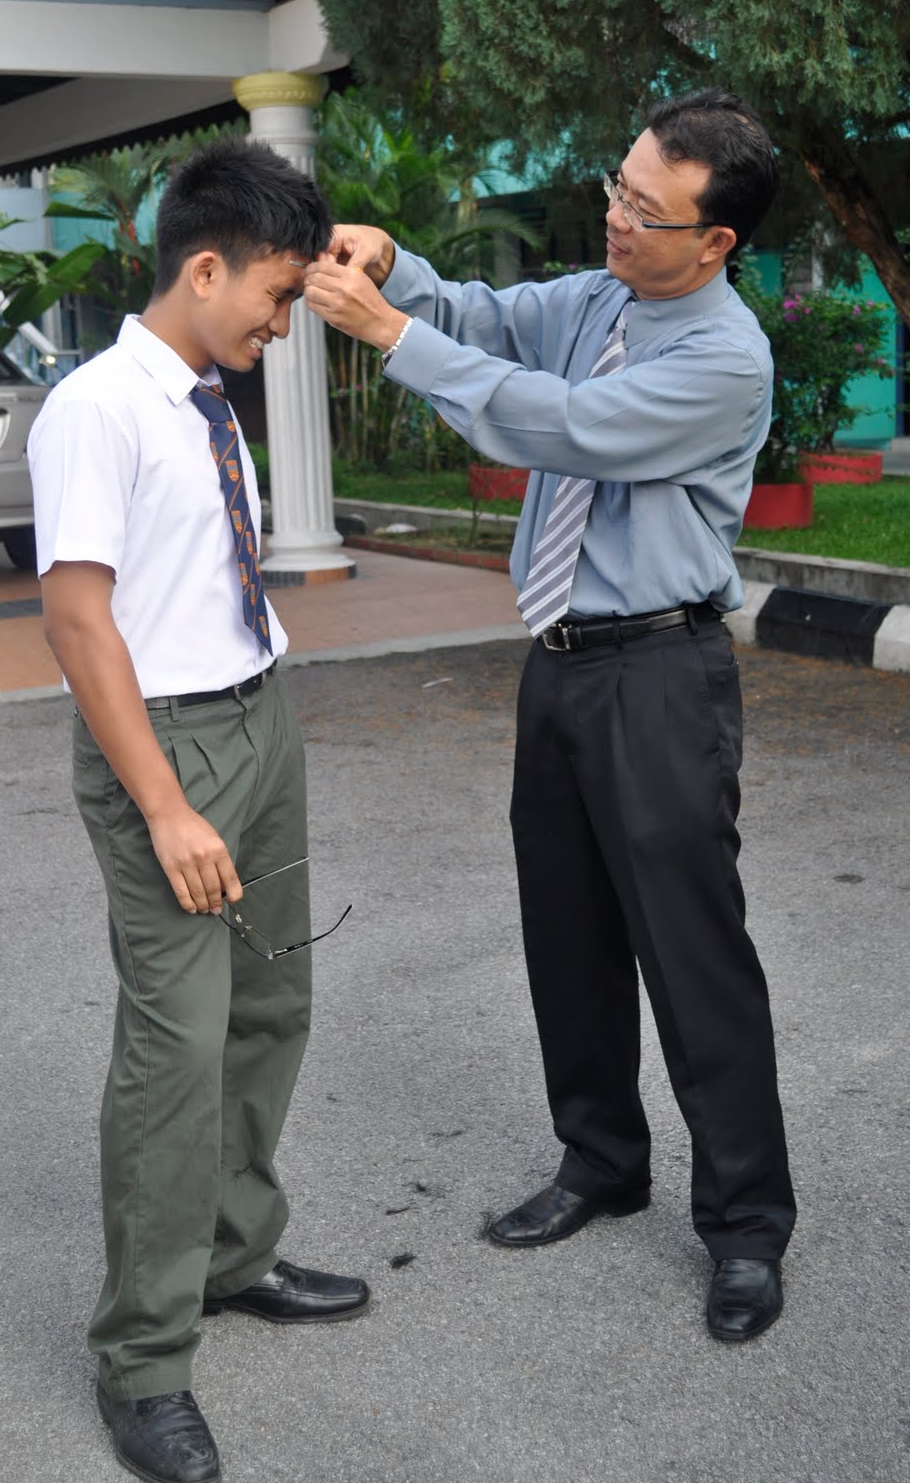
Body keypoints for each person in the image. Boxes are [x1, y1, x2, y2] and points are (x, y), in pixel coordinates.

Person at [304, 89, 796, 1343]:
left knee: (695, 960)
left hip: (661, 676)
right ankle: (600, 1160)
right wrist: (395, 265)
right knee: (566, 933)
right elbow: (488, 315)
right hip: (561, 662)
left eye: (647, 209)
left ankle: (745, 1228)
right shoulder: (599, 298)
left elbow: (565, 428)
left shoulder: (722, 355)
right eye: (618, 188)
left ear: (716, 240)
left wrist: (388, 335)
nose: (616, 219)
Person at [28, 136, 370, 1483]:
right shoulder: (96, 407)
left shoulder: (200, 394)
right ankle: (143, 1359)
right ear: (204, 265)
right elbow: (76, 619)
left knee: (272, 1006)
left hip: (254, 713)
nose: (282, 322)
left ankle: (233, 1261)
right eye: (275, 296)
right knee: (176, 1053)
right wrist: (167, 807)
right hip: (163, 749)